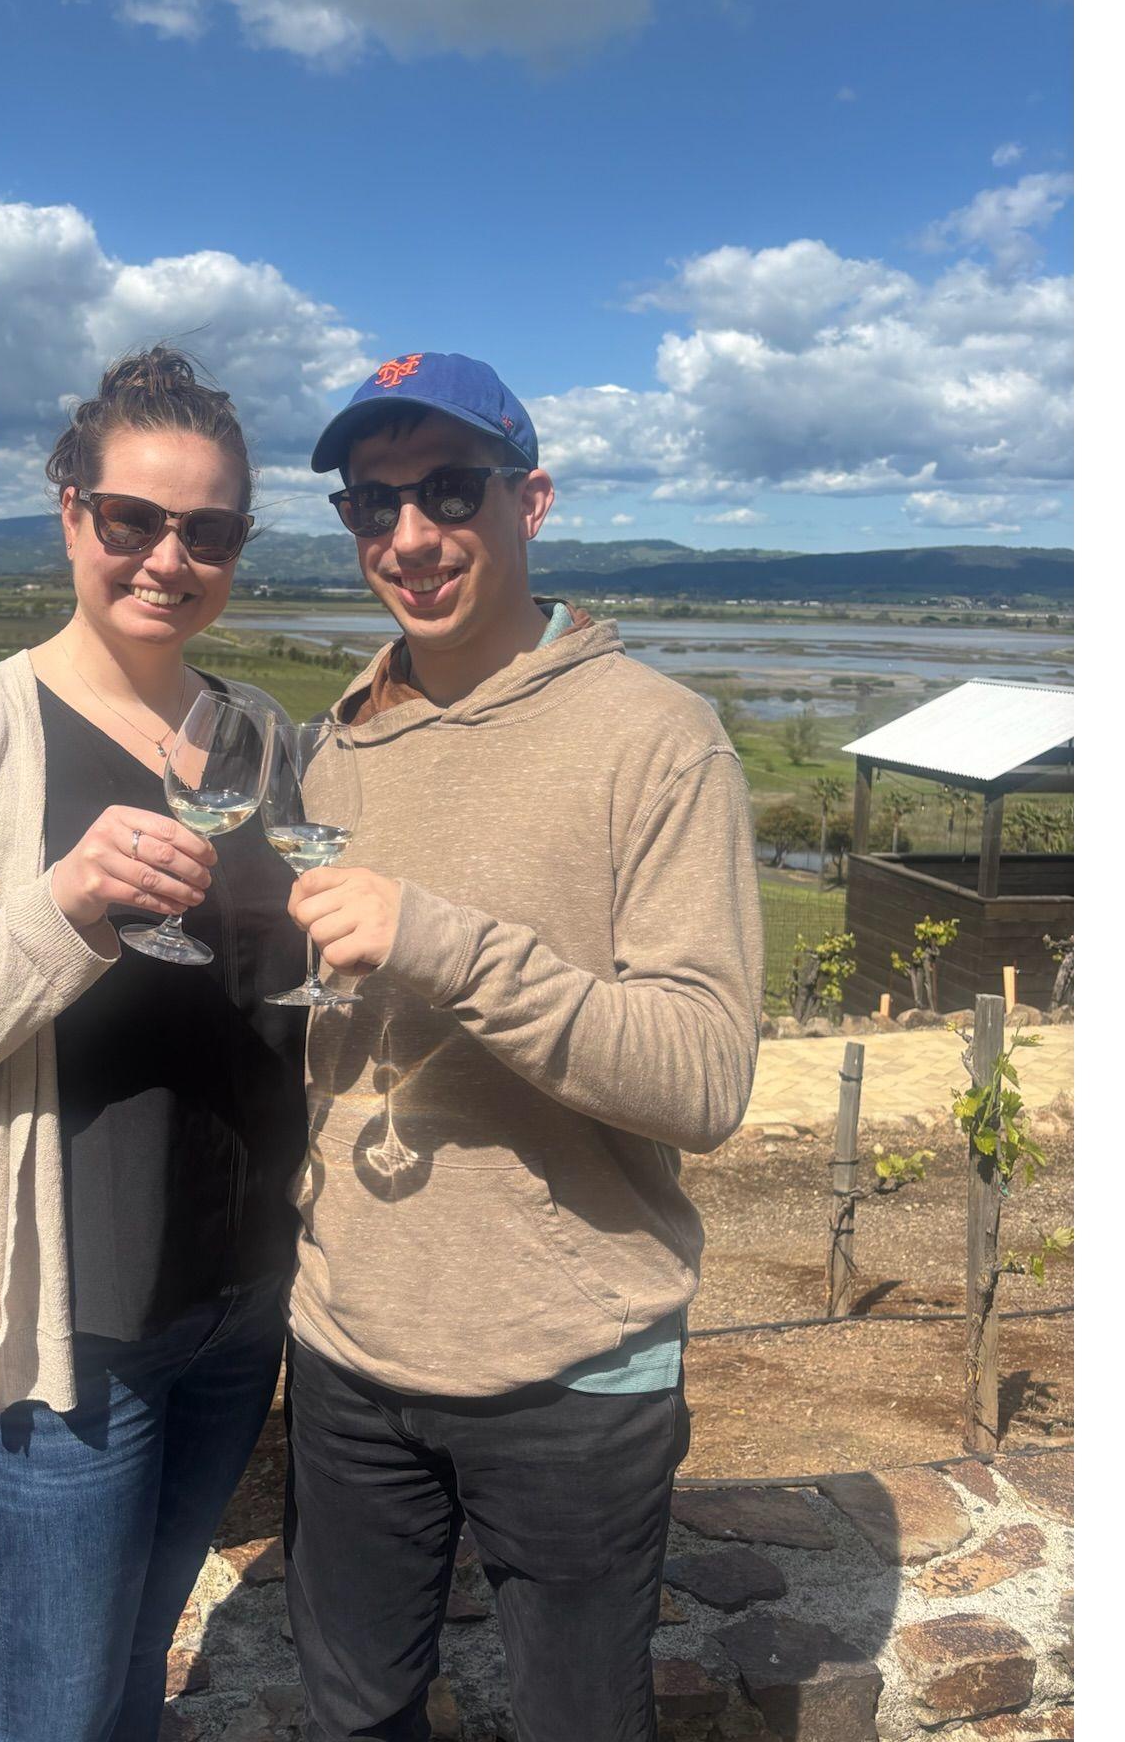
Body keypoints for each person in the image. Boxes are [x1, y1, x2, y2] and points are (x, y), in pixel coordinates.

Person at [280, 352, 765, 1742]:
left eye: (450, 490)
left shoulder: (658, 742)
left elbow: (702, 1077)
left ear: (530, 500)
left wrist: (440, 940)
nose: (410, 536)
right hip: (348, 1347)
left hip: (571, 1364)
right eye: (371, 504)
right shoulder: (338, 746)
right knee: (353, 1714)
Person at [0, 347, 305, 1742]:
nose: (170, 557)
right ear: (69, 511)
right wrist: (65, 908)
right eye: (133, 520)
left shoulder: (261, 742)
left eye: (208, 530)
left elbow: (271, 1015)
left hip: (231, 1321)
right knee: (50, 1721)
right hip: (61, 1354)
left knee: (128, 1693)